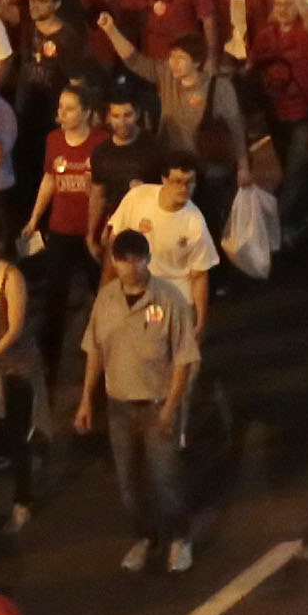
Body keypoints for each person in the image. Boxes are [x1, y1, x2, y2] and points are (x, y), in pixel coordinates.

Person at [79, 230, 200, 573]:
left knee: (165, 478)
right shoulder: (106, 300)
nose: (131, 267)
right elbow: (94, 352)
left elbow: (183, 358)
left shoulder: (169, 299)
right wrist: (86, 401)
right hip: (118, 405)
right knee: (129, 484)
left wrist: (171, 408)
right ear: (113, 262)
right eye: (124, 260)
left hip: (157, 404)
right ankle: (147, 538)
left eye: (138, 259)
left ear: (148, 260)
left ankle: (180, 539)